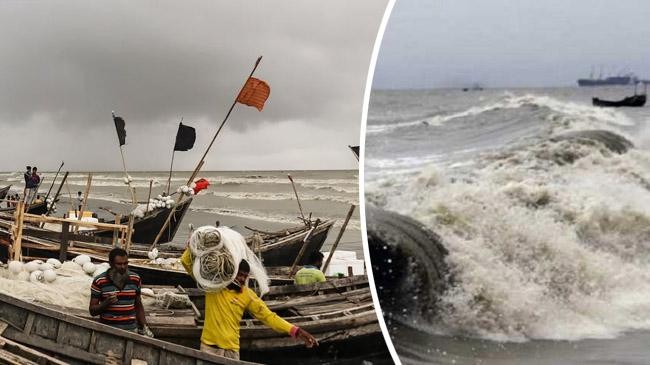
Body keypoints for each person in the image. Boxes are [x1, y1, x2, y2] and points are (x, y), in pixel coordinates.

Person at [181, 249, 318, 360]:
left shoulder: (247, 294)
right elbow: (186, 262)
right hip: (210, 348)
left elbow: (269, 317)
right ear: (231, 272)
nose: (242, 279)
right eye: (239, 275)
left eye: (245, 276)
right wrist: (193, 245)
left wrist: (296, 331)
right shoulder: (213, 286)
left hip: (232, 350)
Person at [89, 248, 153, 336]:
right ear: (111, 264)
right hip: (107, 332)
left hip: (131, 331)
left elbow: (138, 305)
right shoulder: (99, 281)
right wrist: (106, 303)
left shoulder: (135, 279)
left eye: (125, 263)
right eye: (119, 264)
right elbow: (92, 311)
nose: (123, 267)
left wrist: (145, 327)